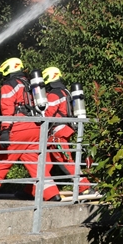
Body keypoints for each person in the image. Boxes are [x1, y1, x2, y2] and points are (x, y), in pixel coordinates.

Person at [0, 58, 60, 201]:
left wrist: (5, 130)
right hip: (35, 127)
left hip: (18, 127)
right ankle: (52, 194)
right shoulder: (31, 84)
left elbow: (7, 108)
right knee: (34, 162)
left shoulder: (9, 85)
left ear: (7, 69)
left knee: (0, 161)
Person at [41, 66, 91, 194]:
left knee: (65, 161)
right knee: (43, 164)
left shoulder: (54, 94)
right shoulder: (65, 91)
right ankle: (32, 190)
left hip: (56, 134)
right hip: (63, 130)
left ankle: (84, 186)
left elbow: (47, 114)